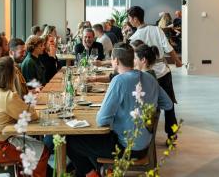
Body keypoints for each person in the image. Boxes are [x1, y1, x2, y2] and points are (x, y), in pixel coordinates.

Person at [66, 43, 173, 177]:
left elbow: (102, 120)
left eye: (111, 59)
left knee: (70, 141)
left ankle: (91, 174)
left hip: (126, 147)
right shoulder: (150, 78)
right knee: (93, 140)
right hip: (144, 144)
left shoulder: (119, 81)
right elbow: (168, 104)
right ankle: (97, 170)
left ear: (116, 60)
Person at [0, 57, 50, 177]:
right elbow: (32, 116)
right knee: (42, 151)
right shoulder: (8, 96)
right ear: (10, 76)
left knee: (31, 144)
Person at [127, 5, 181, 141]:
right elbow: (168, 49)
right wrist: (178, 61)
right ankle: (172, 136)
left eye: (129, 18)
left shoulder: (134, 37)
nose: (129, 21)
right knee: (169, 105)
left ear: (135, 19)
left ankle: (146, 136)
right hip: (163, 72)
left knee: (147, 105)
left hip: (145, 75)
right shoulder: (156, 29)